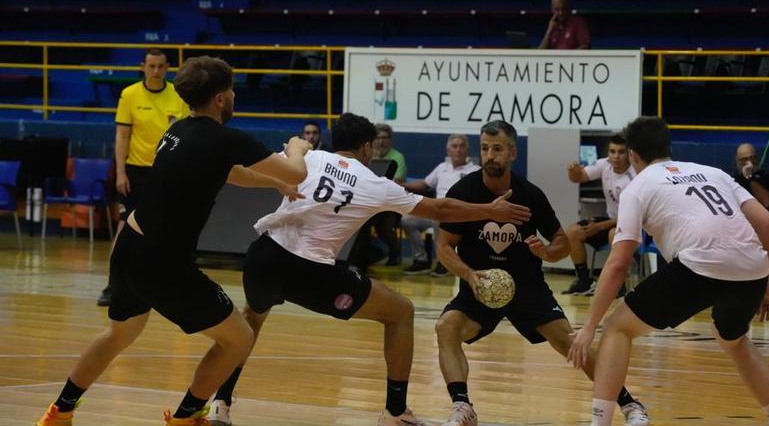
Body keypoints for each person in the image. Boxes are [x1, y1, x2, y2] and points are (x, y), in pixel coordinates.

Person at [36, 56, 311, 426]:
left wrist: (273, 183)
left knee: (120, 333)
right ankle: (185, 418)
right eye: (230, 90)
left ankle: (60, 411)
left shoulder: (178, 130)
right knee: (239, 339)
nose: (233, 97)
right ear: (219, 98)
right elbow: (298, 169)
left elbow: (228, 174)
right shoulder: (226, 138)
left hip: (130, 247)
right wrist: (297, 147)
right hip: (163, 263)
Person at [205, 113, 531, 426]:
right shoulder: (373, 182)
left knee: (252, 320)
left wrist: (295, 148)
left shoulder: (311, 158)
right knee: (400, 312)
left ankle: (221, 403)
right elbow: (439, 208)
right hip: (310, 272)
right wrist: (489, 209)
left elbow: (262, 167)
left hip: (262, 255)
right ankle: (395, 412)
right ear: (367, 148)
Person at [568, 117, 769, 426]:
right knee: (736, 342)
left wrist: (589, 326)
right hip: (750, 269)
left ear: (633, 155)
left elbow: (619, 262)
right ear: (668, 146)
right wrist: (765, 285)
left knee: (617, 327)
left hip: (698, 266)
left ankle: (599, 423)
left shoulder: (638, 187)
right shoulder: (715, 173)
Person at [434, 121, 650, 426]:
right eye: (484, 148)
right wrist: (469, 275)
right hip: (480, 285)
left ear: (512, 152)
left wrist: (547, 253)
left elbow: (561, 241)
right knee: (446, 327)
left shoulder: (529, 195)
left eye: (497, 149)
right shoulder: (464, 191)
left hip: (527, 287)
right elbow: (443, 247)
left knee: (569, 342)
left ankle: (630, 405)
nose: (490, 155)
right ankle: (462, 408)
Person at [97, 48, 190, 307]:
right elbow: (122, 136)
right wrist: (121, 172)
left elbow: (185, 136)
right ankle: (113, 284)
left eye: (161, 66)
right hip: (136, 171)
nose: (156, 71)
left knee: (168, 230)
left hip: (167, 172)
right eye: (152, 66)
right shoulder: (129, 95)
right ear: (143, 67)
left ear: (168, 67)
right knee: (125, 226)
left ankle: (165, 284)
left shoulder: (178, 96)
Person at [563, 133, 635, 295]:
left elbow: (631, 216)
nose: (616, 156)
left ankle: (619, 285)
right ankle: (584, 281)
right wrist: (573, 172)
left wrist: (599, 226)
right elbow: (578, 177)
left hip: (632, 224)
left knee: (612, 235)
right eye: (612, 151)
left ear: (629, 154)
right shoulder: (604, 165)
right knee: (572, 232)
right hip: (610, 220)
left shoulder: (634, 176)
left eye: (621, 152)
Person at [400, 134, 480, 275]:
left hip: (458, 215)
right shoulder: (442, 167)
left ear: (467, 150)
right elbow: (424, 184)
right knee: (407, 220)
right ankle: (421, 260)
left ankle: (443, 263)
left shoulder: (474, 171)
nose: (458, 150)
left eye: (462, 146)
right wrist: (400, 185)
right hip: (436, 211)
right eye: (454, 146)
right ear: (448, 151)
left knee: (439, 218)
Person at [358, 122, 407, 267]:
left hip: (388, 202)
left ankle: (394, 249)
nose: (381, 141)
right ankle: (361, 255)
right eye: (378, 138)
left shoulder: (398, 157)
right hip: (366, 199)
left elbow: (396, 183)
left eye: (385, 138)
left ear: (390, 140)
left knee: (382, 225)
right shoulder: (367, 155)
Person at [733, 143, 769, 213]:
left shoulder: (767, 178)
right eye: (744, 159)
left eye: (752, 157)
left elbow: (768, 203)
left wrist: (750, 178)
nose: (749, 162)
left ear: (757, 158)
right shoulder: (733, 181)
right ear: (737, 161)